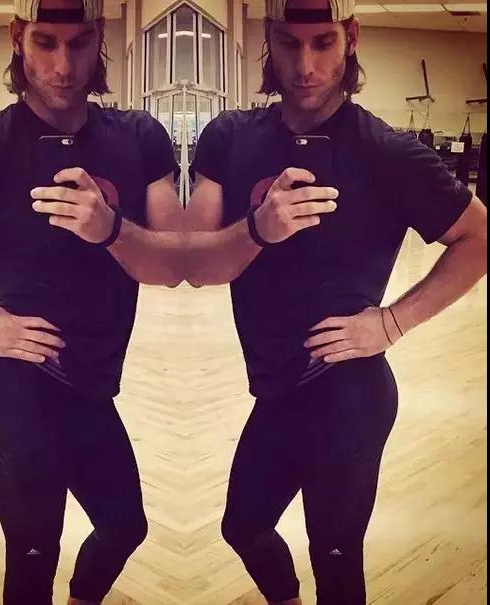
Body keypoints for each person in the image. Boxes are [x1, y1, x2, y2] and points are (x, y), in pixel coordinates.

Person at [184, 0, 488, 603]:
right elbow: (193, 268)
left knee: (336, 557)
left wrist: (392, 322)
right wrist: (257, 229)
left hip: (348, 392)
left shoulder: (387, 151)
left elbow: (478, 237)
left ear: (350, 37)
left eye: (322, 42)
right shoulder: (230, 138)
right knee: (243, 527)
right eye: (289, 43)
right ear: (268, 39)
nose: (305, 65)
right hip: (275, 390)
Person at [0, 0, 184, 603]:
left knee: (125, 527)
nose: (63, 65)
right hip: (20, 391)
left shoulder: (138, 138)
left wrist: (110, 229)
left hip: (92, 390)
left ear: (99, 40)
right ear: (18, 38)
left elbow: (175, 267)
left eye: (79, 43)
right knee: (32, 558)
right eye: (46, 42)